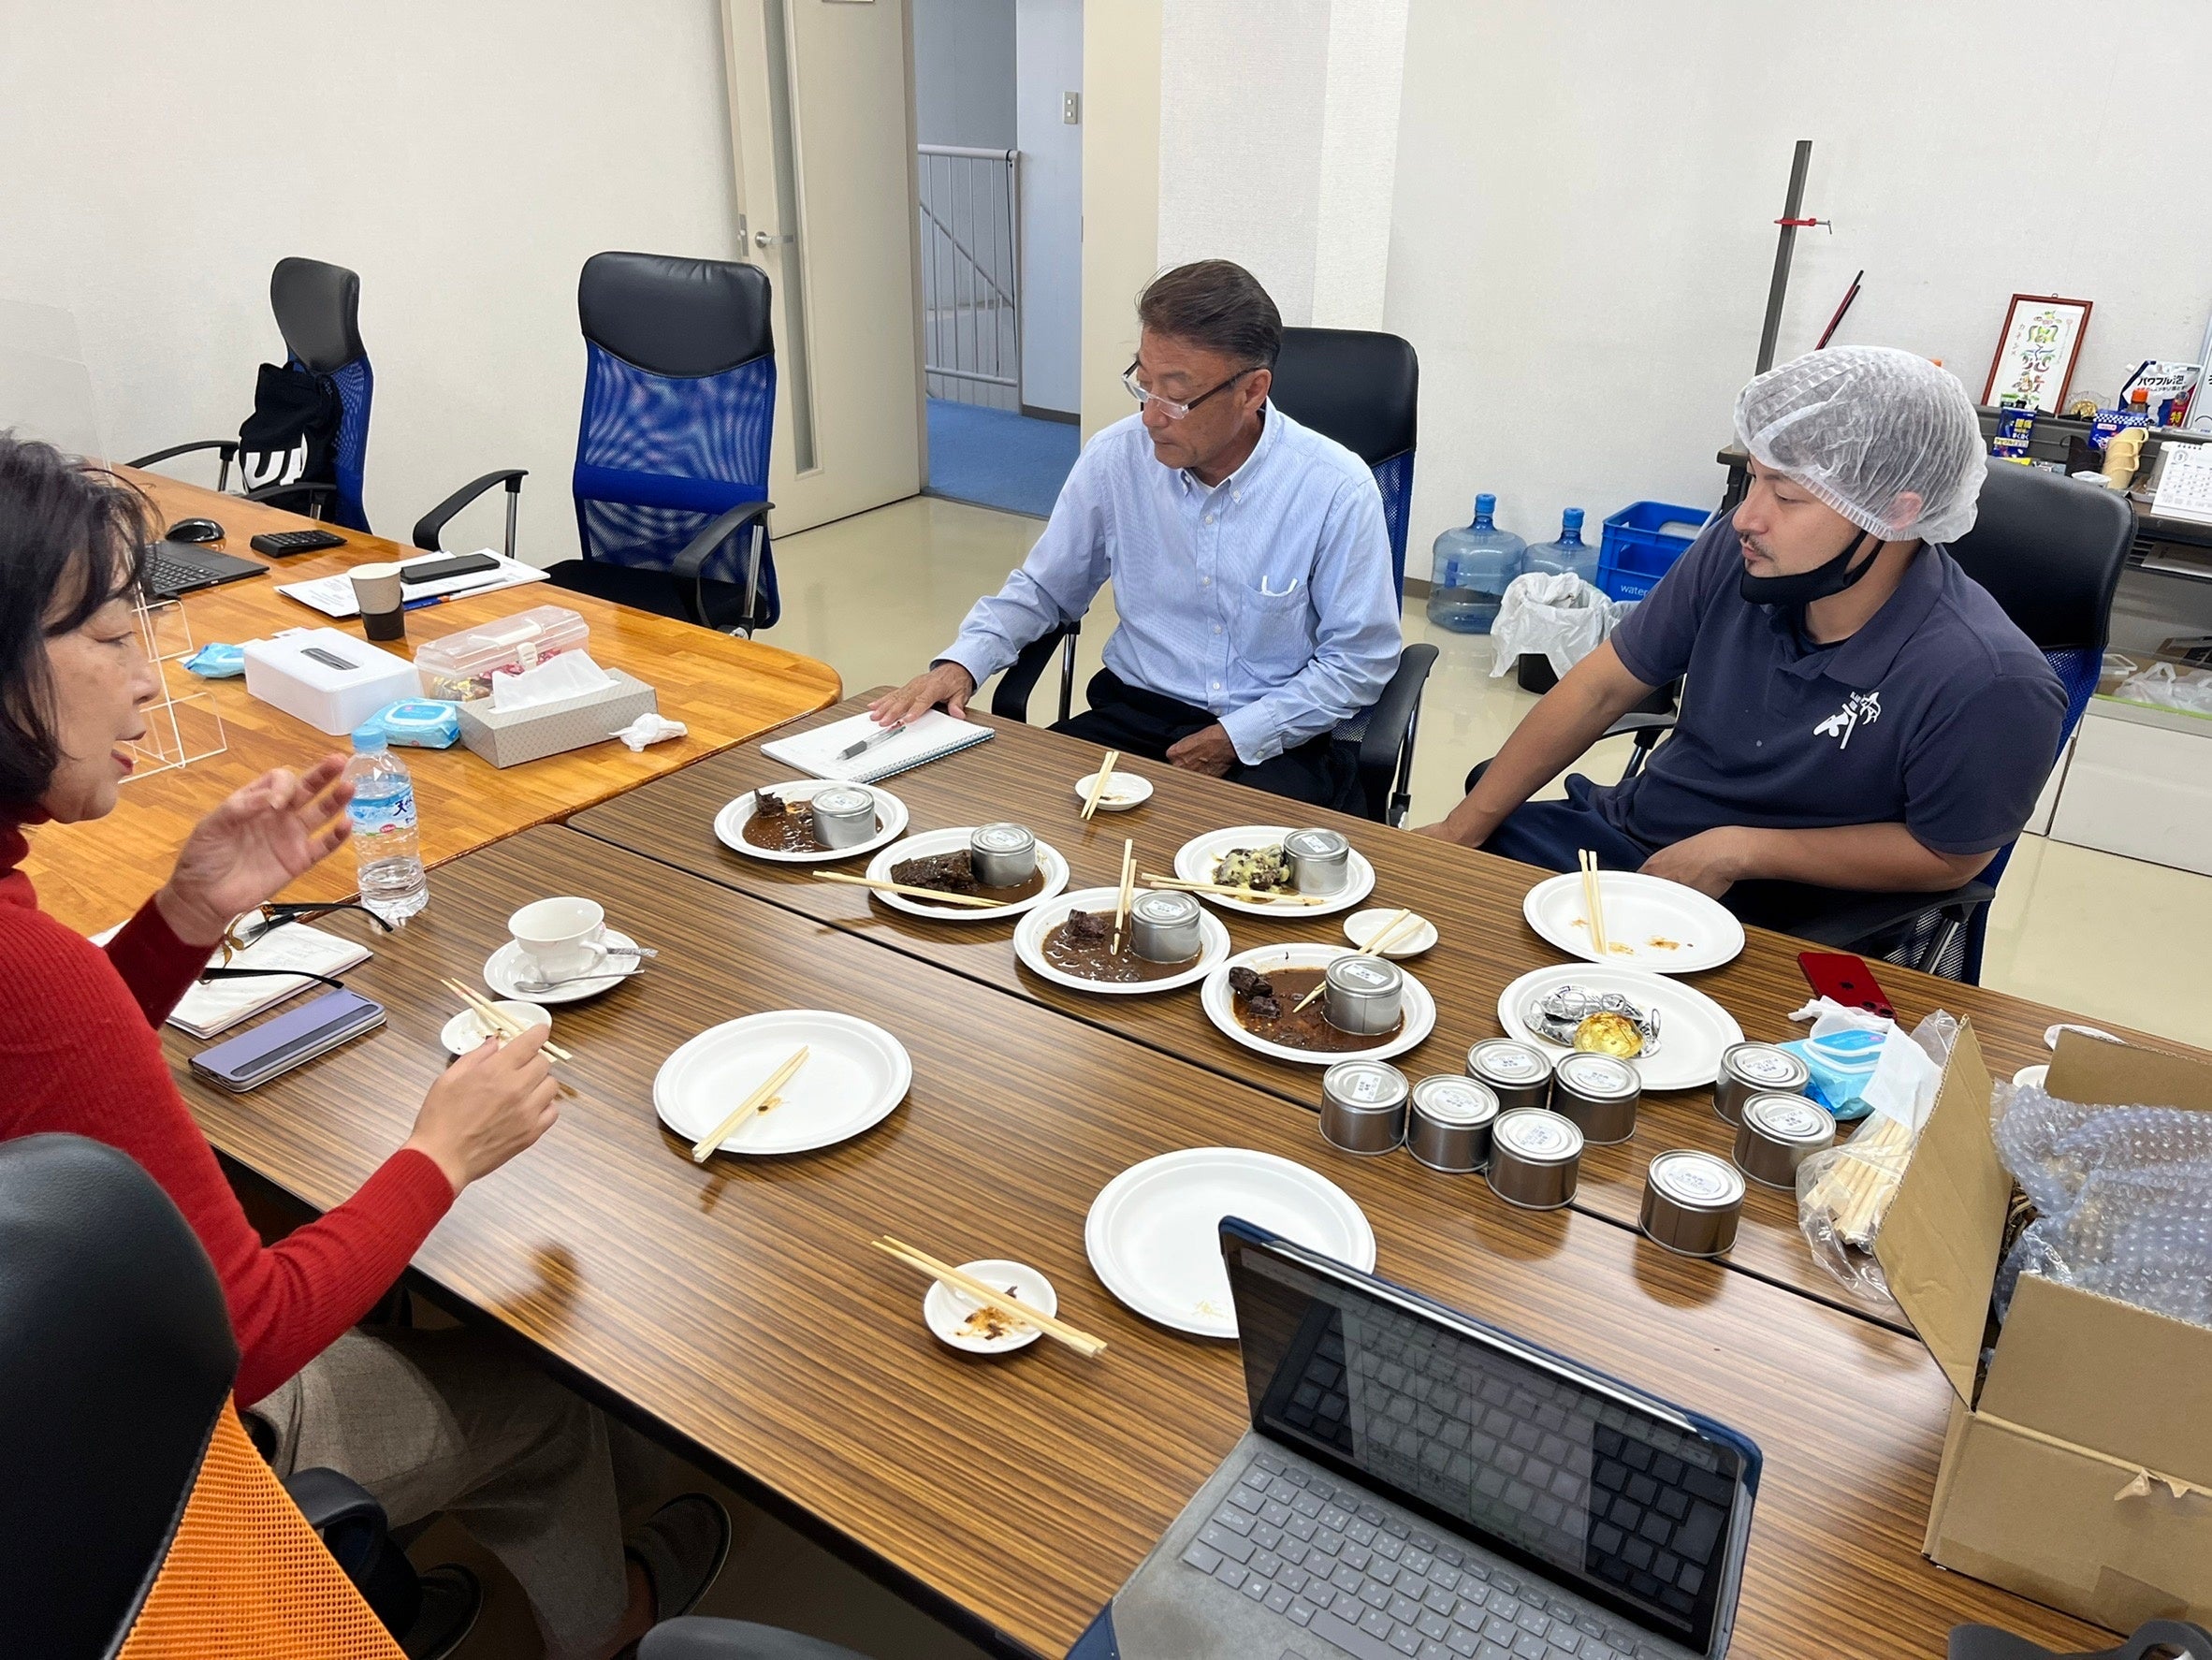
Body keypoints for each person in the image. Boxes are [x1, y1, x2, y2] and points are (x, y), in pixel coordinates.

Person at [0, 434, 723, 1660]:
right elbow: (251, 1337)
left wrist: (184, 919)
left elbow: (42, 1083)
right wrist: (444, 1151)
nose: (147, 684)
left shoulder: (30, 961)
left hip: (47, 1400)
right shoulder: (29, 967)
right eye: (116, 638)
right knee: (546, 1392)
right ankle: (615, 1629)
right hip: (147, 1463)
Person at [1419, 348, 2066, 916]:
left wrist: (1741, 851)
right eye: (1754, 479)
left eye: (1787, 496)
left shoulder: (1988, 678)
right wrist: (1461, 829)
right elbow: (1601, 687)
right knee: (1449, 908)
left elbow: (1951, 858)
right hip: (1634, 845)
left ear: (1895, 511)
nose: (1745, 519)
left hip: (1794, 905)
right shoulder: (1740, 558)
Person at [870, 259, 1402, 811]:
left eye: (1177, 396)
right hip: (1133, 715)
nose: (1151, 417)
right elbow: (1046, 589)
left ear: (1252, 391)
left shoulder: (1334, 487)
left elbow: (1359, 659)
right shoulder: (1115, 458)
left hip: (1275, 739)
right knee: (1016, 828)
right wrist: (962, 663)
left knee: (1240, 862)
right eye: (1144, 385)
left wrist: (1240, 736)